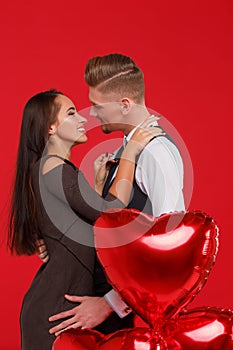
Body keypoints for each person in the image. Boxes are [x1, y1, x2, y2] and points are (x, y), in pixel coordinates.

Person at [8, 89, 163, 350]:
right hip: (56, 314)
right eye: (71, 113)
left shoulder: (47, 169)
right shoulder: (54, 168)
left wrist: (97, 185)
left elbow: (77, 226)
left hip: (57, 308)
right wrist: (132, 150)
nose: (82, 119)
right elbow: (113, 210)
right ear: (50, 127)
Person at [48, 54, 185, 335]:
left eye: (97, 106)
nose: (92, 114)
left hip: (137, 320)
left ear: (124, 105)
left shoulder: (155, 153)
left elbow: (170, 245)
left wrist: (109, 304)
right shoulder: (128, 149)